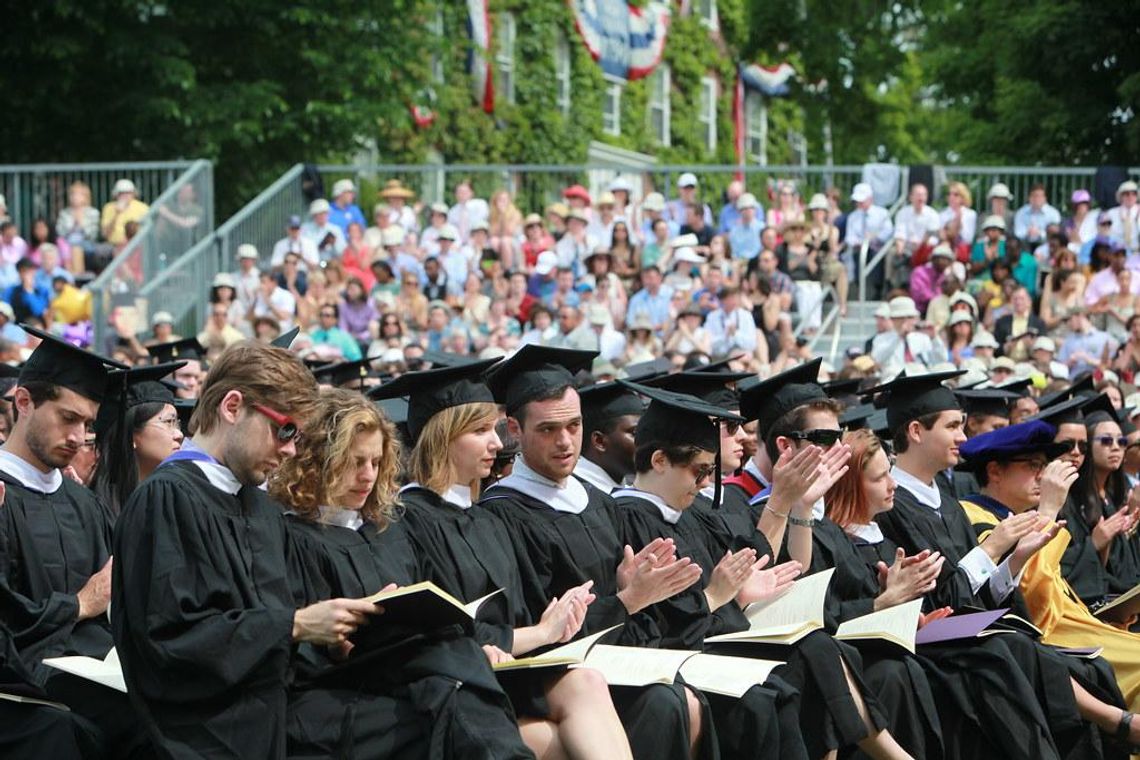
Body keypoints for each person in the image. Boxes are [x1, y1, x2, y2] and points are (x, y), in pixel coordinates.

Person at [612, 379, 920, 760]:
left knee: (814, 652)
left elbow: (755, 558)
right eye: (698, 471)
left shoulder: (690, 517)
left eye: (709, 470)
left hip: (721, 645)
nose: (706, 482)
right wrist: (718, 597)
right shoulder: (627, 521)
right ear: (659, 461)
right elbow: (659, 625)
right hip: (681, 662)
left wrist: (787, 506)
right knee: (775, 687)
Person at [367, 356, 638, 760]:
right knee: (561, 736)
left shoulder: (484, 519)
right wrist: (541, 633)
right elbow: (431, 630)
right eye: (480, 431)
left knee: (587, 683)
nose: (497, 443)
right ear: (442, 438)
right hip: (456, 685)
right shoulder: (408, 522)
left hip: (508, 670)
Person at [873, 371, 1135, 758]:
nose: (963, 437)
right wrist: (992, 548)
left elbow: (982, 596)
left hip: (979, 637)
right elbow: (941, 598)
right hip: (936, 648)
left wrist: (1014, 561)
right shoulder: (893, 508)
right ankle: (1118, 724)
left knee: (1086, 668)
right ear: (915, 431)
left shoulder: (942, 500)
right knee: (1024, 660)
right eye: (953, 426)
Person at [268, 387, 536, 759]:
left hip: (404, 677)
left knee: (455, 676)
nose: (368, 475)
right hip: (336, 690)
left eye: (376, 463)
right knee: (456, 694)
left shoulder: (388, 530)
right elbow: (290, 642)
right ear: (318, 459)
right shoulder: (292, 537)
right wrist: (335, 641)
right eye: (355, 461)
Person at [0, 327, 150, 756]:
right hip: (20, 679)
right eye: (68, 418)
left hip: (92, 668)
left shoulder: (83, 503)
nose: (79, 436)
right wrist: (80, 604)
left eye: (87, 423)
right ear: (24, 402)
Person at [957, 420, 1140, 745]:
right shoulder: (976, 520)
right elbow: (1032, 601)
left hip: (1079, 628)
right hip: (1048, 642)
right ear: (995, 471)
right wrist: (1050, 509)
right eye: (1032, 466)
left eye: (1044, 465)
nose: (1043, 475)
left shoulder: (1018, 516)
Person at [90, 362, 186, 515]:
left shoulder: (177, 503)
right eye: (168, 422)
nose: (179, 434)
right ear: (131, 435)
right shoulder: (95, 512)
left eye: (177, 424)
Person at [574, 381, 644, 493]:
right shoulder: (576, 494)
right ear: (599, 441)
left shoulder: (623, 488)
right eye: (635, 433)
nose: (648, 441)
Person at [99, 178, 149, 248]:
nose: (125, 195)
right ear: (116, 194)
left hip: (137, 244)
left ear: (133, 194)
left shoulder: (142, 207)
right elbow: (105, 234)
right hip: (113, 245)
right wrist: (116, 214)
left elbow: (148, 230)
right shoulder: (108, 207)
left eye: (128, 192)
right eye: (121, 193)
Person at [1014, 184, 1062, 248]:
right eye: (1034, 196)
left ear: (1045, 198)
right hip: (1025, 245)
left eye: (1040, 196)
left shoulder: (1053, 213)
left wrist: (1040, 233)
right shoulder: (1021, 212)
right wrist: (1027, 232)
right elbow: (1017, 233)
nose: (1037, 199)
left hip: (1047, 245)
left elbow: (1056, 235)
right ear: (1029, 198)